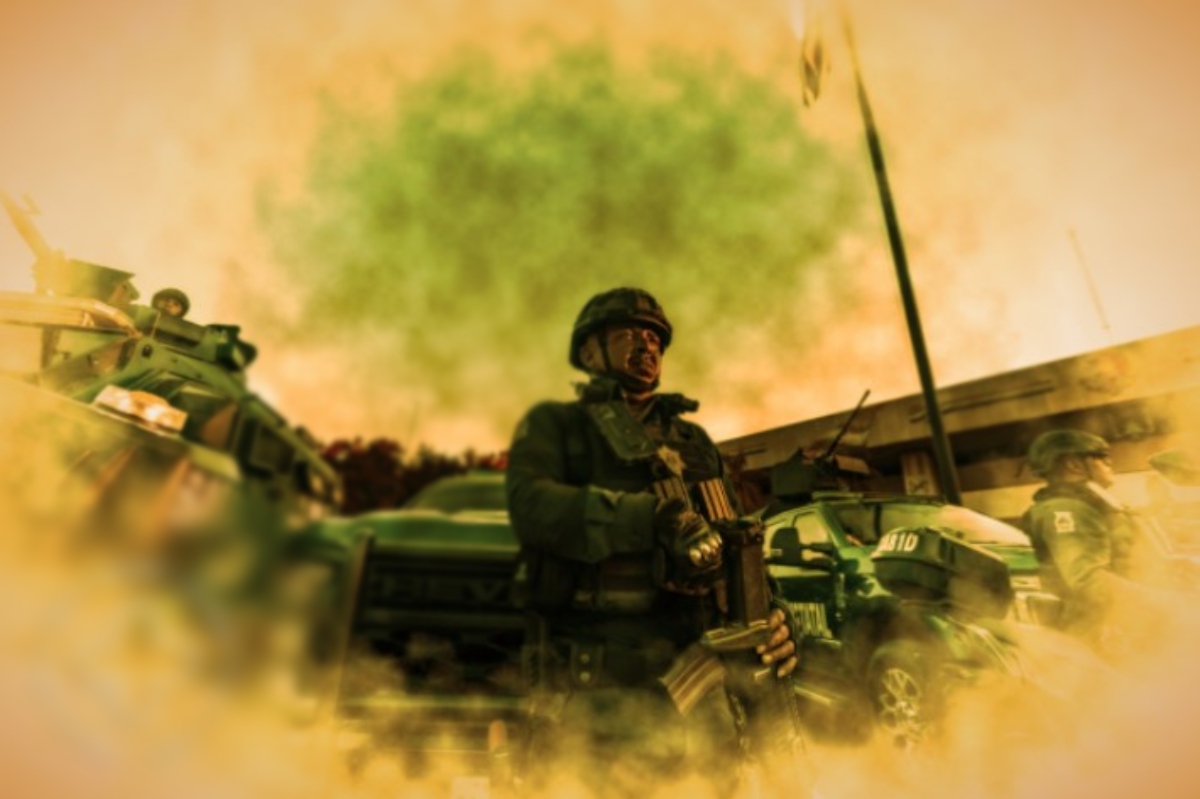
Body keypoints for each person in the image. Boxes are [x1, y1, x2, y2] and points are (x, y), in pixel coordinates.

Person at [505, 287, 799, 796]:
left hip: (695, 678)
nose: (647, 346)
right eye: (629, 335)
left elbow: (737, 538)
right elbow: (533, 508)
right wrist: (651, 517)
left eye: (654, 338)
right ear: (590, 352)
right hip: (597, 688)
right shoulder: (557, 427)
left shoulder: (693, 442)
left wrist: (772, 617)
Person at [1020, 429, 1184, 656]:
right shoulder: (1066, 510)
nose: (1109, 462)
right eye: (1100, 456)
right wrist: (1168, 603)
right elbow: (1088, 580)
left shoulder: (1091, 505)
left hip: (1127, 627)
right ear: (1073, 465)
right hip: (1104, 635)